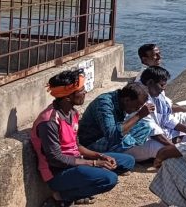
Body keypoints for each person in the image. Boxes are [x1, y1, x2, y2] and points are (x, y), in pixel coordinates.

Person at [32, 70, 135, 207]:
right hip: (58, 173)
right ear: (68, 97)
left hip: (76, 161)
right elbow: (55, 159)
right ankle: (62, 196)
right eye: (81, 90)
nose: (85, 92)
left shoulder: (72, 113)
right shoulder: (49, 122)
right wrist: (94, 163)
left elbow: (77, 146)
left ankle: (80, 189)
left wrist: (100, 156)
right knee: (110, 179)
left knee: (128, 161)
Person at [131, 66, 186, 161]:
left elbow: (166, 118)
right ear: (150, 82)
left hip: (161, 131)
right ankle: (150, 158)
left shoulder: (157, 93)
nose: (163, 89)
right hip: (143, 140)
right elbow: (153, 130)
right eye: (161, 85)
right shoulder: (140, 99)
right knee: (165, 147)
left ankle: (167, 149)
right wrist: (174, 147)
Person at [78, 82, 155, 154]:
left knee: (145, 127)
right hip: (91, 144)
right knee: (125, 140)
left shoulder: (121, 102)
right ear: (127, 100)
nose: (138, 109)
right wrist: (139, 115)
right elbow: (112, 137)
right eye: (138, 105)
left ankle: (123, 152)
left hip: (109, 137)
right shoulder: (104, 103)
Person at [136, 44, 186, 117]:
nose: (159, 57)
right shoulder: (144, 79)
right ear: (144, 60)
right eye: (155, 55)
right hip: (160, 116)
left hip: (165, 108)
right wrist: (179, 108)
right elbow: (155, 106)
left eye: (159, 54)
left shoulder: (154, 72)